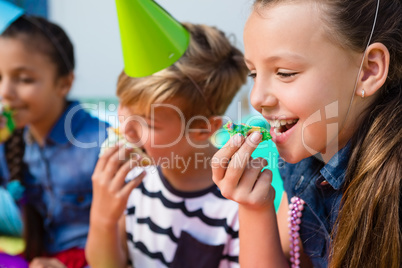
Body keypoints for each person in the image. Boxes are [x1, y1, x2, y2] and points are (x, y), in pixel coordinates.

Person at [211, 0, 402, 267]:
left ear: (368, 70)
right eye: (254, 74)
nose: (256, 98)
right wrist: (254, 207)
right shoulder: (304, 163)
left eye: (285, 73)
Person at [86, 22, 249, 268]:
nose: (126, 129)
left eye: (148, 123)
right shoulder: (133, 177)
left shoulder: (237, 202)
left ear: (203, 130)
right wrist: (102, 219)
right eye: (123, 105)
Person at [0, 14, 109, 268]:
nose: (5, 91)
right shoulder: (11, 143)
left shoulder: (100, 143)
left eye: (24, 79)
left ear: (64, 83)